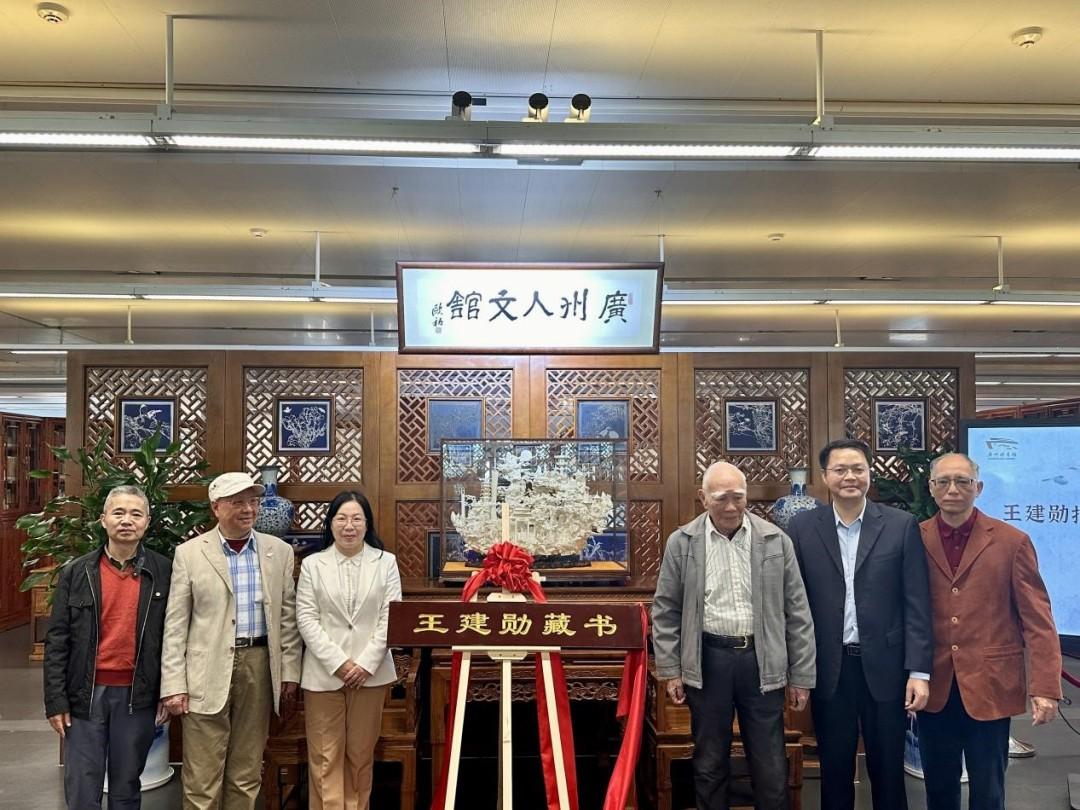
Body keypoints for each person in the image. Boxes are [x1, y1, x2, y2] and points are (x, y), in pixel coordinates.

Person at [652, 461, 816, 810]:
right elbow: (666, 610)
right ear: (703, 498)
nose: (730, 506)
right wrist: (671, 670)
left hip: (762, 661)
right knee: (709, 760)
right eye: (720, 498)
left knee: (770, 763)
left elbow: (798, 611)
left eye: (738, 497)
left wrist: (801, 676)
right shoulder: (682, 542)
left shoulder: (775, 541)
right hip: (708, 660)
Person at [789, 438, 933, 810]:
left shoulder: (900, 525)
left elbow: (917, 602)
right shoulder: (803, 528)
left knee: (888, 771)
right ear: (825, 476)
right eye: (840, 470)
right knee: (834, 770)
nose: (850, 476)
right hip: (829, 668)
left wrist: (919, 671)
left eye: (858, 469)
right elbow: (794, 604)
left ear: (870, 473)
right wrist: (797, 671)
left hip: (886, 667)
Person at [917, 452, 1061, 810]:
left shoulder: (1012, 541)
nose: (953, 489)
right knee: (938, 787)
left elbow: (1038, 620)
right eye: (943, 482)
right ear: (931, 487)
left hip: (990, 682)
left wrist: (1045, 687)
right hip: (933, 682)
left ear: (978, 488)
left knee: (989, 789)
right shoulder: (914, 538)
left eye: (962, 481)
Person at [160, 471, 302, 810]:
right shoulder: (190, 554)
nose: (248, 509)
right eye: (238, 502)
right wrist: (173, 684)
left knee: (247, 771)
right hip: (205, 669)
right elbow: (176, 623)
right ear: (216, 507)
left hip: (259, 665)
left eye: (253, 501)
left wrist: (289, 672)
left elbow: (287, 618)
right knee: (202, 777)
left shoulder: (279, 551)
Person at [43, 484, 171, 809]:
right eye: (118, 513)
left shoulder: (164, 572)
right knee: (82, 785)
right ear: (103, 520)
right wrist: (56, 700)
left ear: (147, 522)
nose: (126, 520)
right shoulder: (77, 572)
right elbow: (57, 640)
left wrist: (169, 690)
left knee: (126, 785)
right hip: (85, 694)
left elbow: (174, 637)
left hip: (138, 695)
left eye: (136, 514)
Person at [295, 490, 403, 810]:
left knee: (360, 754)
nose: (349, 526)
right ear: (330, 524)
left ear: (367, 524)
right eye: (341, 518)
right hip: (323, 674)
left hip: (371, 674)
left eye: (357, 518)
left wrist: (366, 663)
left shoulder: (385, 562)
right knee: (325, 757)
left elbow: (392, 616)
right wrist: (339, 663)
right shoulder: (313, 564)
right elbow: (306, 618)